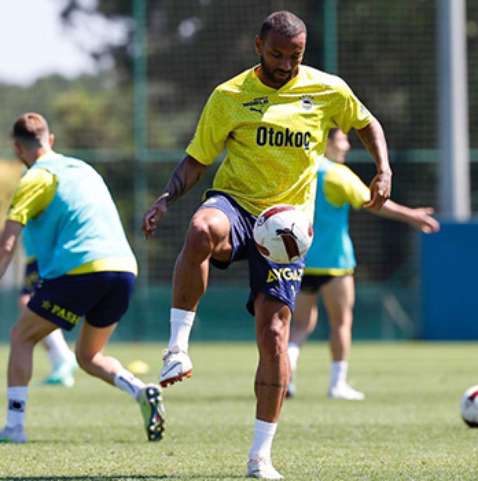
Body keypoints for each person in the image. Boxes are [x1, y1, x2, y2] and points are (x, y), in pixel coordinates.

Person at [143, 11, 392, 480]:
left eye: (295, 55)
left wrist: (383, 168)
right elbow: (197, 159)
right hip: (236, 203)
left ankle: (260, 457)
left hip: (287, 228)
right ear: (258, 46)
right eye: (277, 54)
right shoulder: (230, 95)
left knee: (275, 336)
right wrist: (165, 198)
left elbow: (367, 122)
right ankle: (177, 347)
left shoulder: (327, 89)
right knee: (200, 230)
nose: (286, 63)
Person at [0, 112, 165, 444]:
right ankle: (140, 390)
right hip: (123, 269)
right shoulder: (84, 169)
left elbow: (7, 242)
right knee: (89, 356)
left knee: (21, 336)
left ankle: (14, 426)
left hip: (80, 271)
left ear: (18, 148)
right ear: (51, 140)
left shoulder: (36, 178)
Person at [287, 129, 440, 401]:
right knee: (341, 323)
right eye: (342, 140)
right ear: (327, 143)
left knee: (300, 326)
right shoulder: (336, 174)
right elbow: (374, 202)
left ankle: (285, 378)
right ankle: (337, 384)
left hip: (301, 260)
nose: (346, 146)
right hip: (335, 264)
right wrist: (413, 216)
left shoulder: (301, 170)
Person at [20, 245, 78, 387]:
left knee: (35, 316)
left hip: (50, 256)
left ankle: (63, 360)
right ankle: (61, 365)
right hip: (36, 257)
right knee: (28, 308)